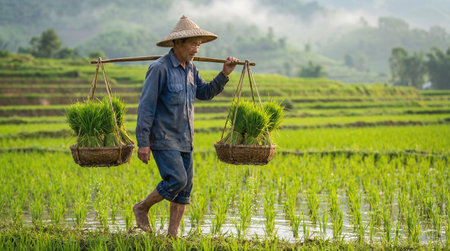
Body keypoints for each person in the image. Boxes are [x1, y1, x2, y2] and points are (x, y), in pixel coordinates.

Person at [134, 16, 239, 238]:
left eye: (199, 44)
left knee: (184, 191)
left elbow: (205, 93)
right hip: (164, 138)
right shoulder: (159, 69)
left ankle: (172, 237)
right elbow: (146, 107)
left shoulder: (191, 69)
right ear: (177, 44)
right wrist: (143, 143)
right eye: (192, 43)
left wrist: (225, 74)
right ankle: (142, 207)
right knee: (176, 180)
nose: (196, 49)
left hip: (185, 139)